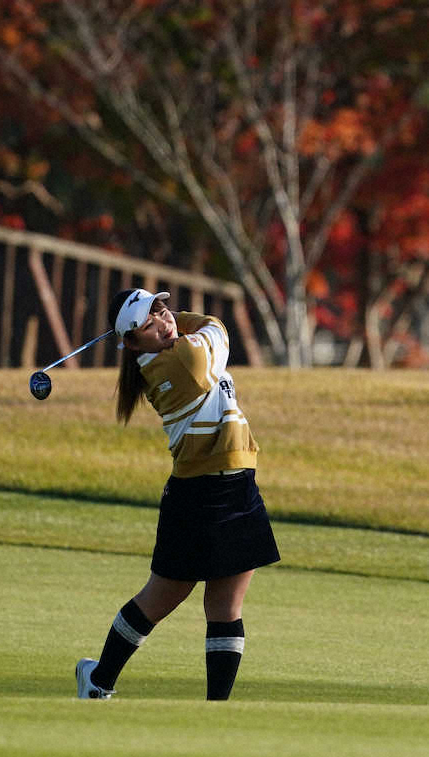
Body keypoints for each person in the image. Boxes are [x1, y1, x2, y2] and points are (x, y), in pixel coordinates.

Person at [75, 288, 280, 702]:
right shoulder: (181, 360)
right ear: (132, 345)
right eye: (150, 325)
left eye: (164, 311)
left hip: (238, 484)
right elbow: (217, 328)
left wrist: (157, 318)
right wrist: (178, 320)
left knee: (226, 606)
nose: (166, 323)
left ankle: (216, 711)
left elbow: (200, 330)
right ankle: (98, 682)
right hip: (197, 494)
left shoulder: (170, 348)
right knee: (163, 597)